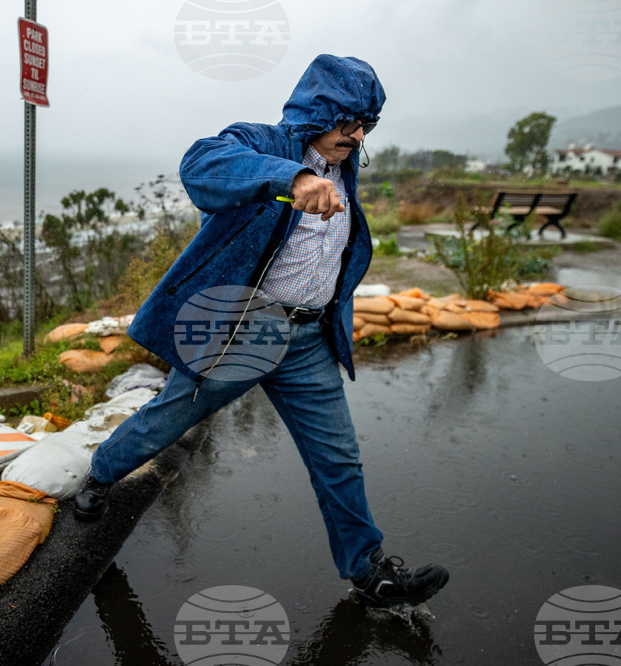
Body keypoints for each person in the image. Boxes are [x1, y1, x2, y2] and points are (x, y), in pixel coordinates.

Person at [74, 54, 449, 609]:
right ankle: (100, 477)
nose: (358, 133)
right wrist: (291, 178)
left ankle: (369, 572)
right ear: (320, 110)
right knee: (167, 419)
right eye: (349, 120)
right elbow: (201, 163)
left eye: (366, 123)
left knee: (339, 456)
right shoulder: (263, 143)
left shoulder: (345, 169)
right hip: (241, 333)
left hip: (306, 340)